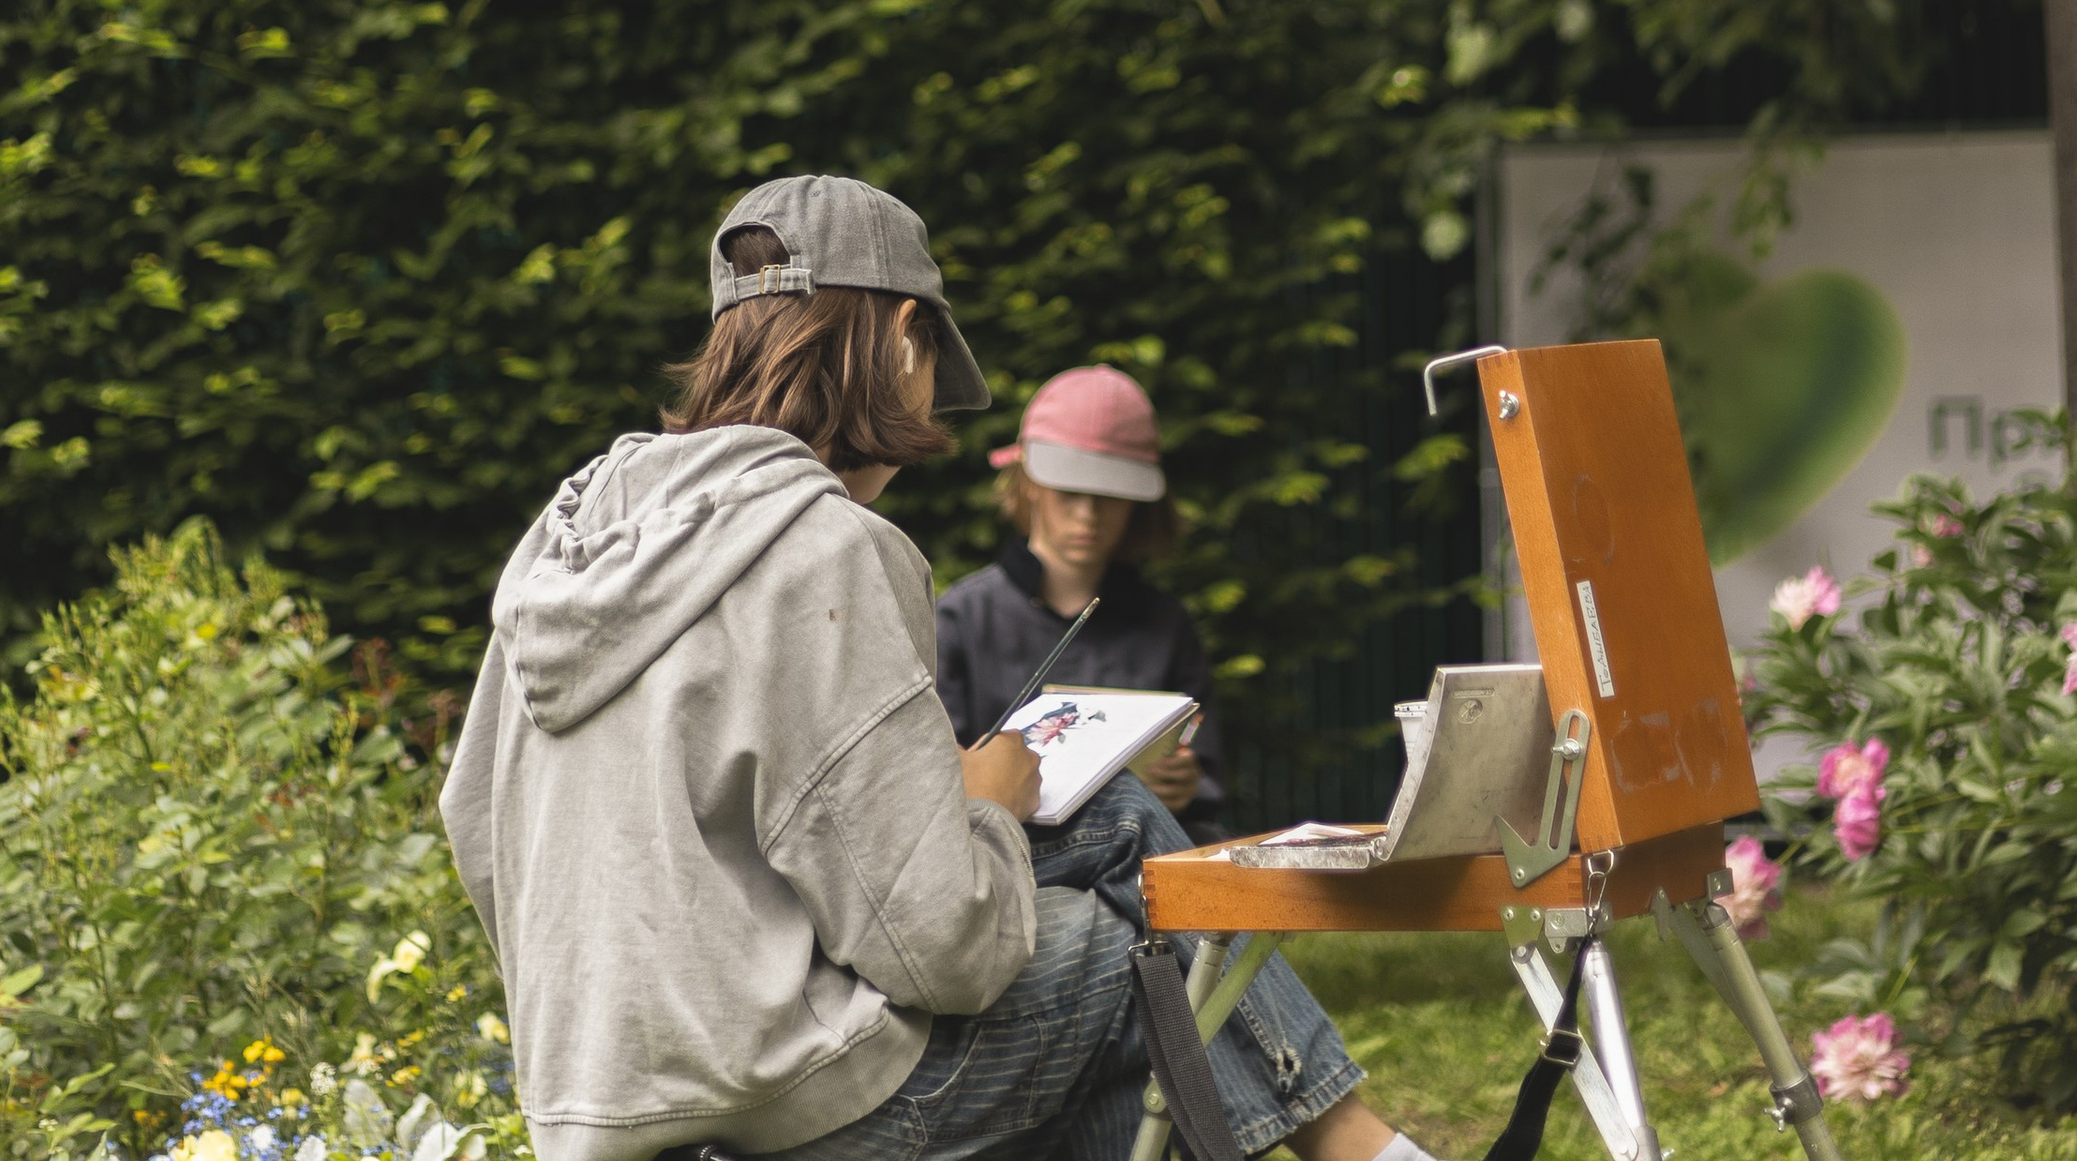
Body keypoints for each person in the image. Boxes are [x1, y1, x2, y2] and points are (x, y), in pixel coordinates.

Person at [439, 173, 1442, 1161]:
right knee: (1128, 959)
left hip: (594, 1100)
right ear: (903, 336)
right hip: (778, 1099)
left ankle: (1358, 1149)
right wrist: (990, 806)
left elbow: (475, 820)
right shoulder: (828, 548)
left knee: (1114, 819)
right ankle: (1361, 1149)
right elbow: (941, 949)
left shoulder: (574, 535)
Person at [937, 365, 1226, 837]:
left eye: (1110, 495)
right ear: (1028, 481)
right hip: (1006, 858)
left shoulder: (1166, 624)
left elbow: (1200, 754)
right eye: (1069, 491)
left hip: (1142, 855)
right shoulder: (962, 618)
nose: (1088, 514)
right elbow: (931, 780)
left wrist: (1187, 784)